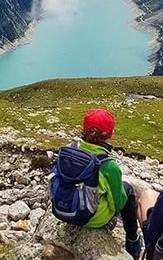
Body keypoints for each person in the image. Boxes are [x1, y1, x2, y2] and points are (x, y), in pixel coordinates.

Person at [50, 108, 143, 258]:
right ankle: (133, 240)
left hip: (61, 211)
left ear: (84, 129)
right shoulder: (108, 165)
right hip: (92, 220)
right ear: (109, 134)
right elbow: (118, 204)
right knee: (128, 190)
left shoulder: (68, 149)